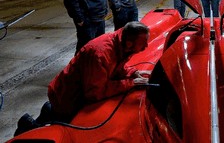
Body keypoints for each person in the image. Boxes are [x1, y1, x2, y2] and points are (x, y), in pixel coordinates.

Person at [14, 21, 151, 136]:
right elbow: (95, 92)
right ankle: (28, 128)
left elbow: (114, 67)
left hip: (69, 92)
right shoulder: (100, 53)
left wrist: (132, 73)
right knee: (60, 130)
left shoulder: (120, 44)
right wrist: (130, 83)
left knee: (54, 115)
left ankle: (45, 113)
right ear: (128, 43)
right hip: (67, 97)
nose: (146, 47)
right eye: (143, 43)